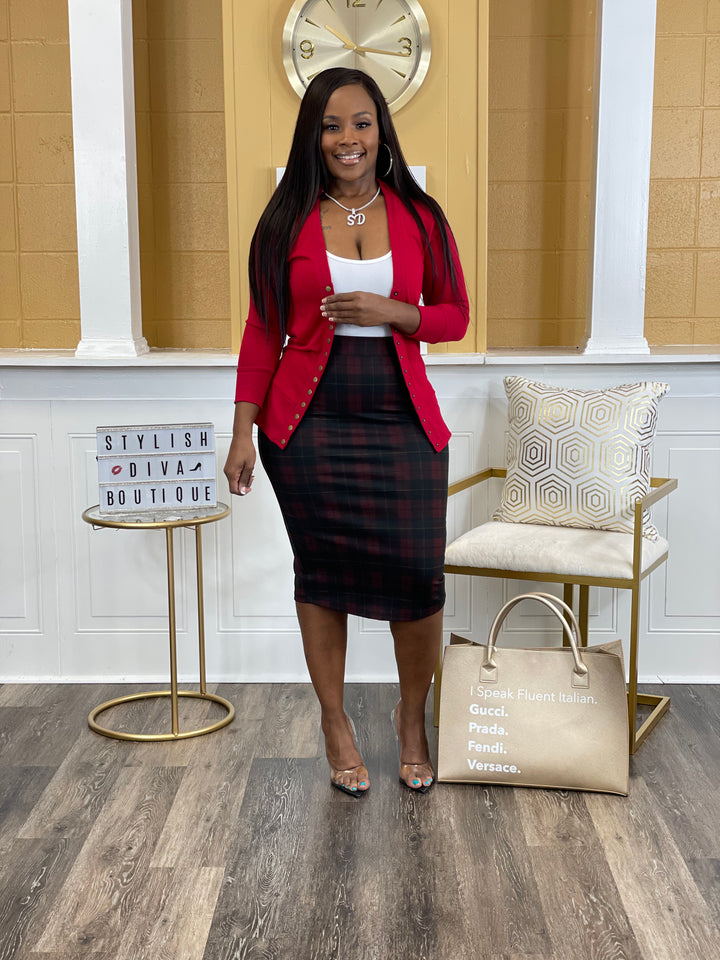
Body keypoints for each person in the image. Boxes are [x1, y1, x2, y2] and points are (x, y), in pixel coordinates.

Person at [224, 67, 469, 797]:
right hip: (308, 426)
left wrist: (396, 313)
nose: (347, 138)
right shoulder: (284, 221)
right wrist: (243, 430)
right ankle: (334, 723)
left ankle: (411, 719)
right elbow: (262, 331)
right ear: (313, 136)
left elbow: (454, 315)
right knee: (321, 578)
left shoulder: (421, 216)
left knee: (420, 580)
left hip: (402, 419)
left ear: (380, 130)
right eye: (331, 126)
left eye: (361, 123)